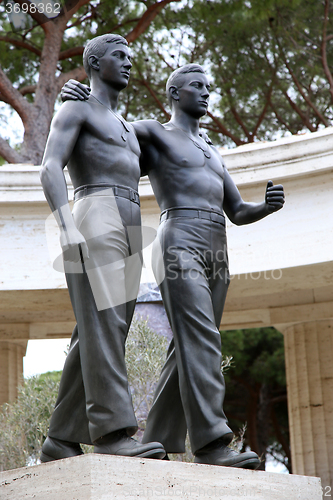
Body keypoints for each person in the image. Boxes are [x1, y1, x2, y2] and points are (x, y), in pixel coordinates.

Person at [62, 63, 285, 468]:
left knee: (193, 344)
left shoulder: (213, 152)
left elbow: (236, 209)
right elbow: (106, 132)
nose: (205, 92)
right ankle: (212, 443)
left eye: (208, 87)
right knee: (202, 339)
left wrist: (264, 208)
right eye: (196, 86)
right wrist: (72, 93)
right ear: (173, 92)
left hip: (217, 242)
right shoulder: (151, 132)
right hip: (178, 236)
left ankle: (161, 437)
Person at [39, 34, 165, 462]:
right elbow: (49, 165)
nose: (129, 63)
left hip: (130, 214)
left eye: (131, 56)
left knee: (106, 327)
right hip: (95, 208)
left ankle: (61, 438)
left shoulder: (130, 128)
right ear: (94, 63)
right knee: (104, 324)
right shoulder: (76, 107)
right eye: (119, 56)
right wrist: (66, 225)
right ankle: (112, 432)